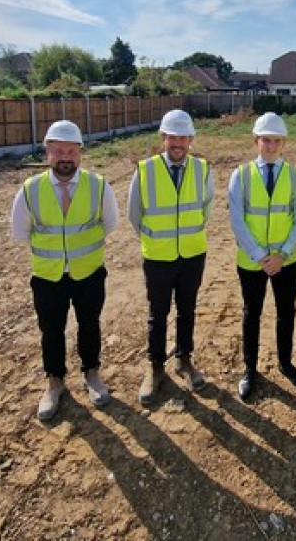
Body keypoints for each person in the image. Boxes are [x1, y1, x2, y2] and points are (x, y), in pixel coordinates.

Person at [10, 119, 119, 421]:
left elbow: (110, 224)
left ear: (80, 153)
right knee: (51, 331)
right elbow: (20, 232)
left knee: (89, 324)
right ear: (47, 152)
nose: (65, 157)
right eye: (58, 151)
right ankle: (54, 382)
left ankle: (92, 375)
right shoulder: (30, 190)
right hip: (48, 277)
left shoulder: (98, 186)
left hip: (88, 273)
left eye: (71, 151)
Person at [128, 109, 214, 406]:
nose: (177, 143)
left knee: (187, 309)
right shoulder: (145, 169)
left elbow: (206, 207)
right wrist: (158, 238)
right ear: (163, 138)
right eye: (172, 137)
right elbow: (134, 215)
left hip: (191, 253)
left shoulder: (202, 169)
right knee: (158, 313)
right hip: (159, 257)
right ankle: (155, 368)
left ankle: (184, 360)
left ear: (191, 139)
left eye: (183, 137)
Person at [228, 112, 296, 401]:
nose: (271, 145)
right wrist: (259, 255)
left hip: (285, 261)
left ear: (283, 144)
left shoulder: (294, 175)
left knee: (286, 312)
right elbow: (237, 220)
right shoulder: (240, 176)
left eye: (276, 141)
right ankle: (250, 369)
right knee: (251, 313)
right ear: (256, 141)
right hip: (251, 262)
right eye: (266, 140)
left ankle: (286, 363)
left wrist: (282, 254)